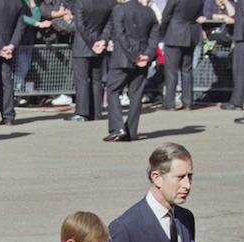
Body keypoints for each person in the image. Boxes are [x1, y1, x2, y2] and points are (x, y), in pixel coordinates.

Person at [104, 0, 160, 140]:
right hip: (142, 57)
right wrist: (146, 55)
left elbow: (120, 35)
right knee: (136, 95)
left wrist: (133, 55)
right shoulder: (149, 12)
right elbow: (154, 38)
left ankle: (118, 128)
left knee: (113, 90)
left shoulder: (120, 9)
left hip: (123, 57)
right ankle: (132, 131)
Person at [69, 0, 114, 121]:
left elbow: (80, 25)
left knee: (82, 80)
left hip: (83, 46)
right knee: (96, 80)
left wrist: (92, 42)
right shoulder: (109, 3)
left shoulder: (81, 2)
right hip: (99, 45)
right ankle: (96, 112)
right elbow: (110, 24)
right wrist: (102, 40)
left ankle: (82, 113)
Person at [158, 0, 203, 110]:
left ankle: (169, 103)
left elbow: (166, 15)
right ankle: (188, 102)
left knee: (171, 71)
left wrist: (162, 30)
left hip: (175, 33)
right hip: (191, 33)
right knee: (187, 70)